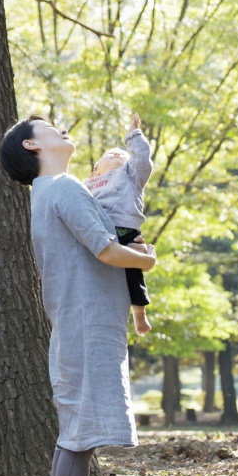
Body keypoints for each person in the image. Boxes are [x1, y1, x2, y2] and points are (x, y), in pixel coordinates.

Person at [0, 115, 156, 476]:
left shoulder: (54, 191)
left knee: (79, 434)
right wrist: (148, 259)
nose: (62, 130)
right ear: (32, 144)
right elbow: (106, 250)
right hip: (85, 323)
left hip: (82, 320)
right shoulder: (62, 188)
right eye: (50, 127)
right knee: (77, 435)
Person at [84, 112, 153, 337]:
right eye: (108, 154)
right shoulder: (87, 183)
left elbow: (142, 160)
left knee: (133, 273)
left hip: (125, 231)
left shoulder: (130, 175)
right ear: (95, 170)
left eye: (122, 154)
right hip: (98, 232)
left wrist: (133, 136)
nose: (116, 152)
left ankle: (139, 313)